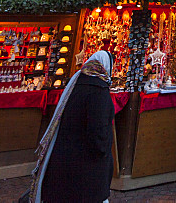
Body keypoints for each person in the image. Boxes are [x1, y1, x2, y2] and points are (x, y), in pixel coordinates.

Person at [29, 51, 114, 203]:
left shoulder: (75, 86)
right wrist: (103, 151)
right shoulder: (98, 92)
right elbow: (98, 131)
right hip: (87, 168)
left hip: (66, 162)